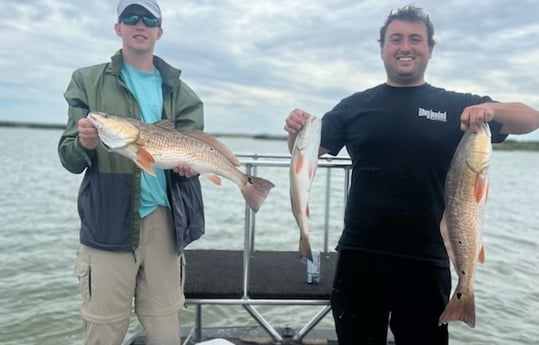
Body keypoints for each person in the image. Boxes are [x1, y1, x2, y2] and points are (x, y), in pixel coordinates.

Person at [284, 5, 539, 345]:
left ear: (430, 48)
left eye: (416, 39)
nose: (406, 46)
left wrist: (491, 110)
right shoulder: (354, 106)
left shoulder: (456, 107)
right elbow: (306, 155)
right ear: (382, 48)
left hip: (427, 258)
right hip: (361, 255)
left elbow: (530, 118)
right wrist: (295, 131)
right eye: (396, 39)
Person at [58, 0, 205, 344]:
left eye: (149, 19)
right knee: (103, 331)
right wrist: (86, 143)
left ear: (159, 31)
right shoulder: (87, 81)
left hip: (166, 223)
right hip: (108, 222)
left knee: (165, 331)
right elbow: (69, 158)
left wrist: (191, 170)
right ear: (118, 27)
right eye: (130, 17)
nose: (140, 23)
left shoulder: (182, 94)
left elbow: (191, 157)